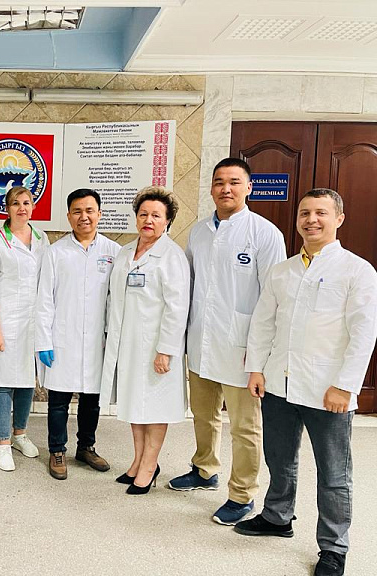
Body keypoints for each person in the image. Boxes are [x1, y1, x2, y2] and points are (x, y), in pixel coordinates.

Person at [235, 189, 377, 576]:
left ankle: (333, 547)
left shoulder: (357, 270)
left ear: (339, 219)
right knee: (279, 459)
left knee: (334, 474)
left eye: (320, 213)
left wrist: (346, 385)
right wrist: (257, 368)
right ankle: (277, 517)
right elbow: (263, 323)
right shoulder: (282, 271)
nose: (311, 220)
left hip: (327, 390)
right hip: (279, 384)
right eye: (304, 213)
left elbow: (364, 334)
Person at [168, 158, 286, 525]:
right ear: (211, 188)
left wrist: (262, 356)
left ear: (248, 187)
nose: (226, 188)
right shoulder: (200, 232)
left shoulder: (265, 234)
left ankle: (242, 494)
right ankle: (205, 469)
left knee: (244, 426)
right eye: (219, 182)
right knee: (204, 415)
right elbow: (189, 285)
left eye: (234, 182)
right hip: (201, 341)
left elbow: (274, 297)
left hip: (243, 348)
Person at [100, 187, 189, 494]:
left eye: (156, 216)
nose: (148, 220)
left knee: (155, 406)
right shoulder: (125, 252)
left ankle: (150, 465)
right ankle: (138, 460)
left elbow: (177, 308)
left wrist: (166, 350)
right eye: (143, 214)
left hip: (155, 347)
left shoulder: (172, 256)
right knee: (134, 404)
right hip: (128, 344)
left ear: (168, 221)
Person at [36, 188, 120, 480]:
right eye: (77, 211)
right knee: (58, 399)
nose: (84, 217)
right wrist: (43, 341)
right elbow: (44, 300)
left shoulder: (113, 252)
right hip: (63, 337)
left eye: (89, 211)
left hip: (98, 340)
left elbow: (117, 300)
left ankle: (86, 447)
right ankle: (57, 450)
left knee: (91, 399)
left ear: (99, 214)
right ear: (69, 216)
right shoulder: (55, 252)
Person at [0, 186, 49, 472]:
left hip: (33, 324)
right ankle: (3, 443)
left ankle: (20, 434)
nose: (22, 208)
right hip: (5, 322)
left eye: (27, 202)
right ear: (6, 208)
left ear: (33, 206)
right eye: (16, 203)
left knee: (26, 381)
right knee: (3, 382)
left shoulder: (42, 239)